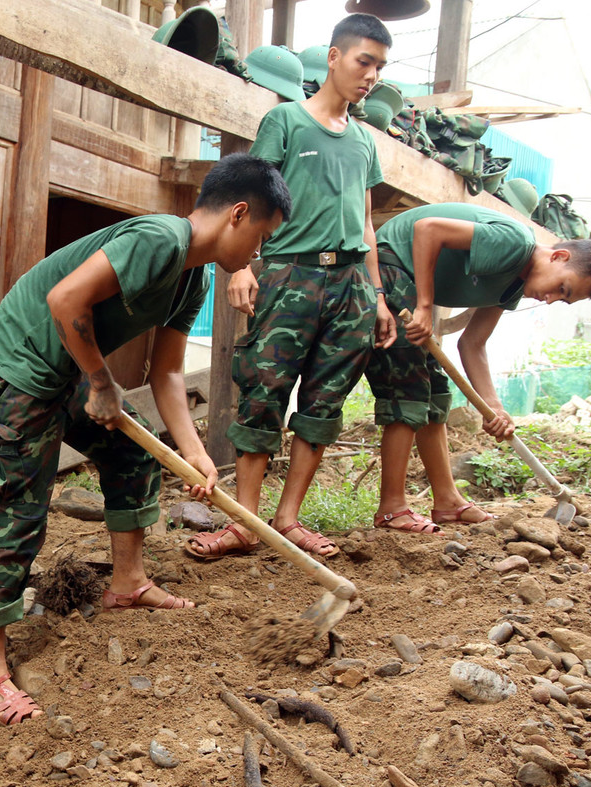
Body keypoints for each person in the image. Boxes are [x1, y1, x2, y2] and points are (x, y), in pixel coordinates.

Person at [0, 153, 291, 725]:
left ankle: (128, 582)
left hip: (66, 368)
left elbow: (165, 372)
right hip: (18, 367)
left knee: (130, 450)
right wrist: (100, 382)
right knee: (17, 506)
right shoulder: (162, 239)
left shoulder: (193, 278)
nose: (256, 258)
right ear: (239, 214)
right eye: (262, 240)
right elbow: (64, 301)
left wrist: (192, 452)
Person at [187, 13, 397, 563]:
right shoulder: (285, 121)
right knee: (263, 394)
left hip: (350, 282)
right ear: (333, 57)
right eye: (363, 61)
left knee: (324, 404)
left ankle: (288, 518)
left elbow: (368, 223)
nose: (370, 75)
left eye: (379, 66)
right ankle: (245, 522)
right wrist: (241, 266)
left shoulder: (364, 143)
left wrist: (376, 296)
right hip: (289, 273)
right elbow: (249, 196)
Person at [363, 203, 591, 532]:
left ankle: (448, 501)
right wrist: (425, 305)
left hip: (409, 282)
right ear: (559, 257)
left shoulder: (513, 286)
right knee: (407, 391)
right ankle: (392, 508)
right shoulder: (515, 244)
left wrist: (492, 407)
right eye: (561, 288)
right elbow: (427, 229)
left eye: (562, 300)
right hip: (390, 267)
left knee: (436, 395)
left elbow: (473, 343)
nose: (550, 299)